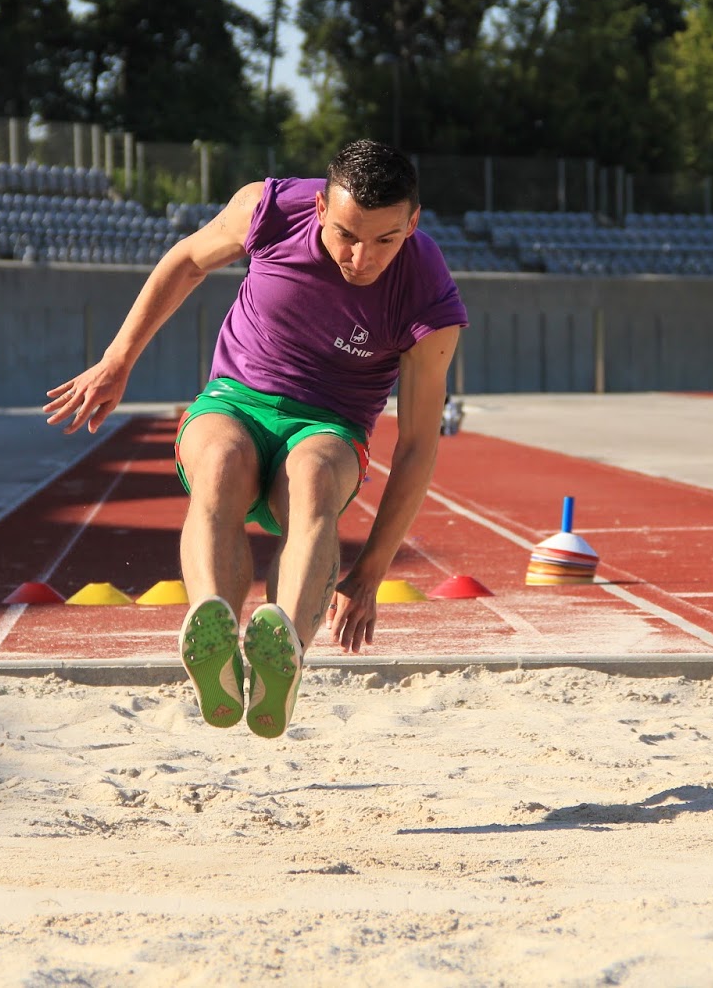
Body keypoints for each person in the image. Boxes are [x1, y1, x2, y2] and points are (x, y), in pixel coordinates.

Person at [44, 140, 467, 738]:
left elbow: (420, 441)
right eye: (346, 234)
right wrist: (118, 362)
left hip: (330, 424)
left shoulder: (426, 290)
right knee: (221, 463)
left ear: (413, 224)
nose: (361, 258)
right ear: (319, 208)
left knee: (315, 478)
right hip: (235, 398)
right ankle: (212, 628)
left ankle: (284, 653)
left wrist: (370, 572)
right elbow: (189, 260)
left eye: (385, 241)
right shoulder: (268, 209)